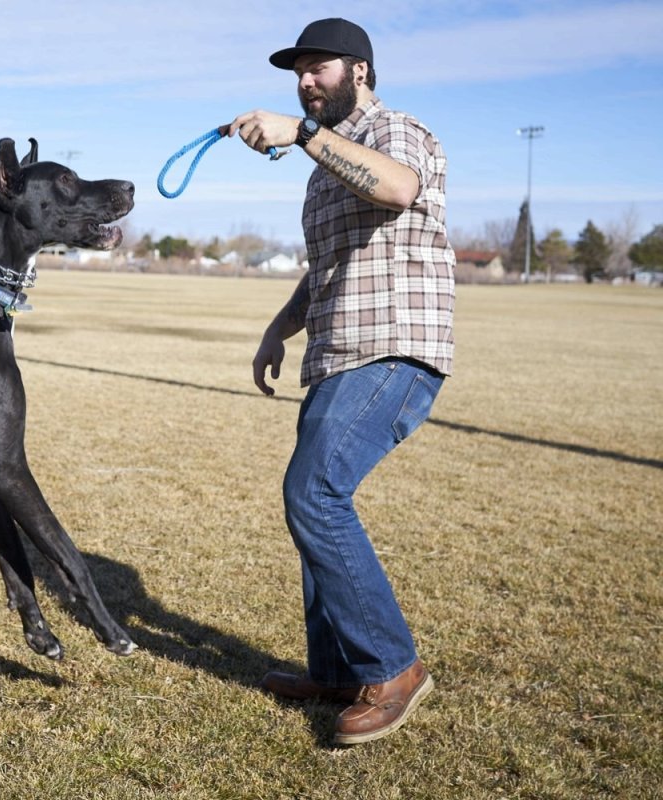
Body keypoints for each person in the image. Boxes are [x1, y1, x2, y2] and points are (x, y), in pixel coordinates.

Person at [223, 18, 456, 745]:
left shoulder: (396, 131)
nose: (304, 82)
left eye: (317, 68)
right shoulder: (325, 164)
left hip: (394, 350)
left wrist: (301, 134)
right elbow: (328, 263)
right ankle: (335, 671)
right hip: (335, 354)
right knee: (314, 503)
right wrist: (280, 327)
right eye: (297, 74)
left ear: (358, 70)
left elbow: (398, 187)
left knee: (314, 494)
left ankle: (393, 669)